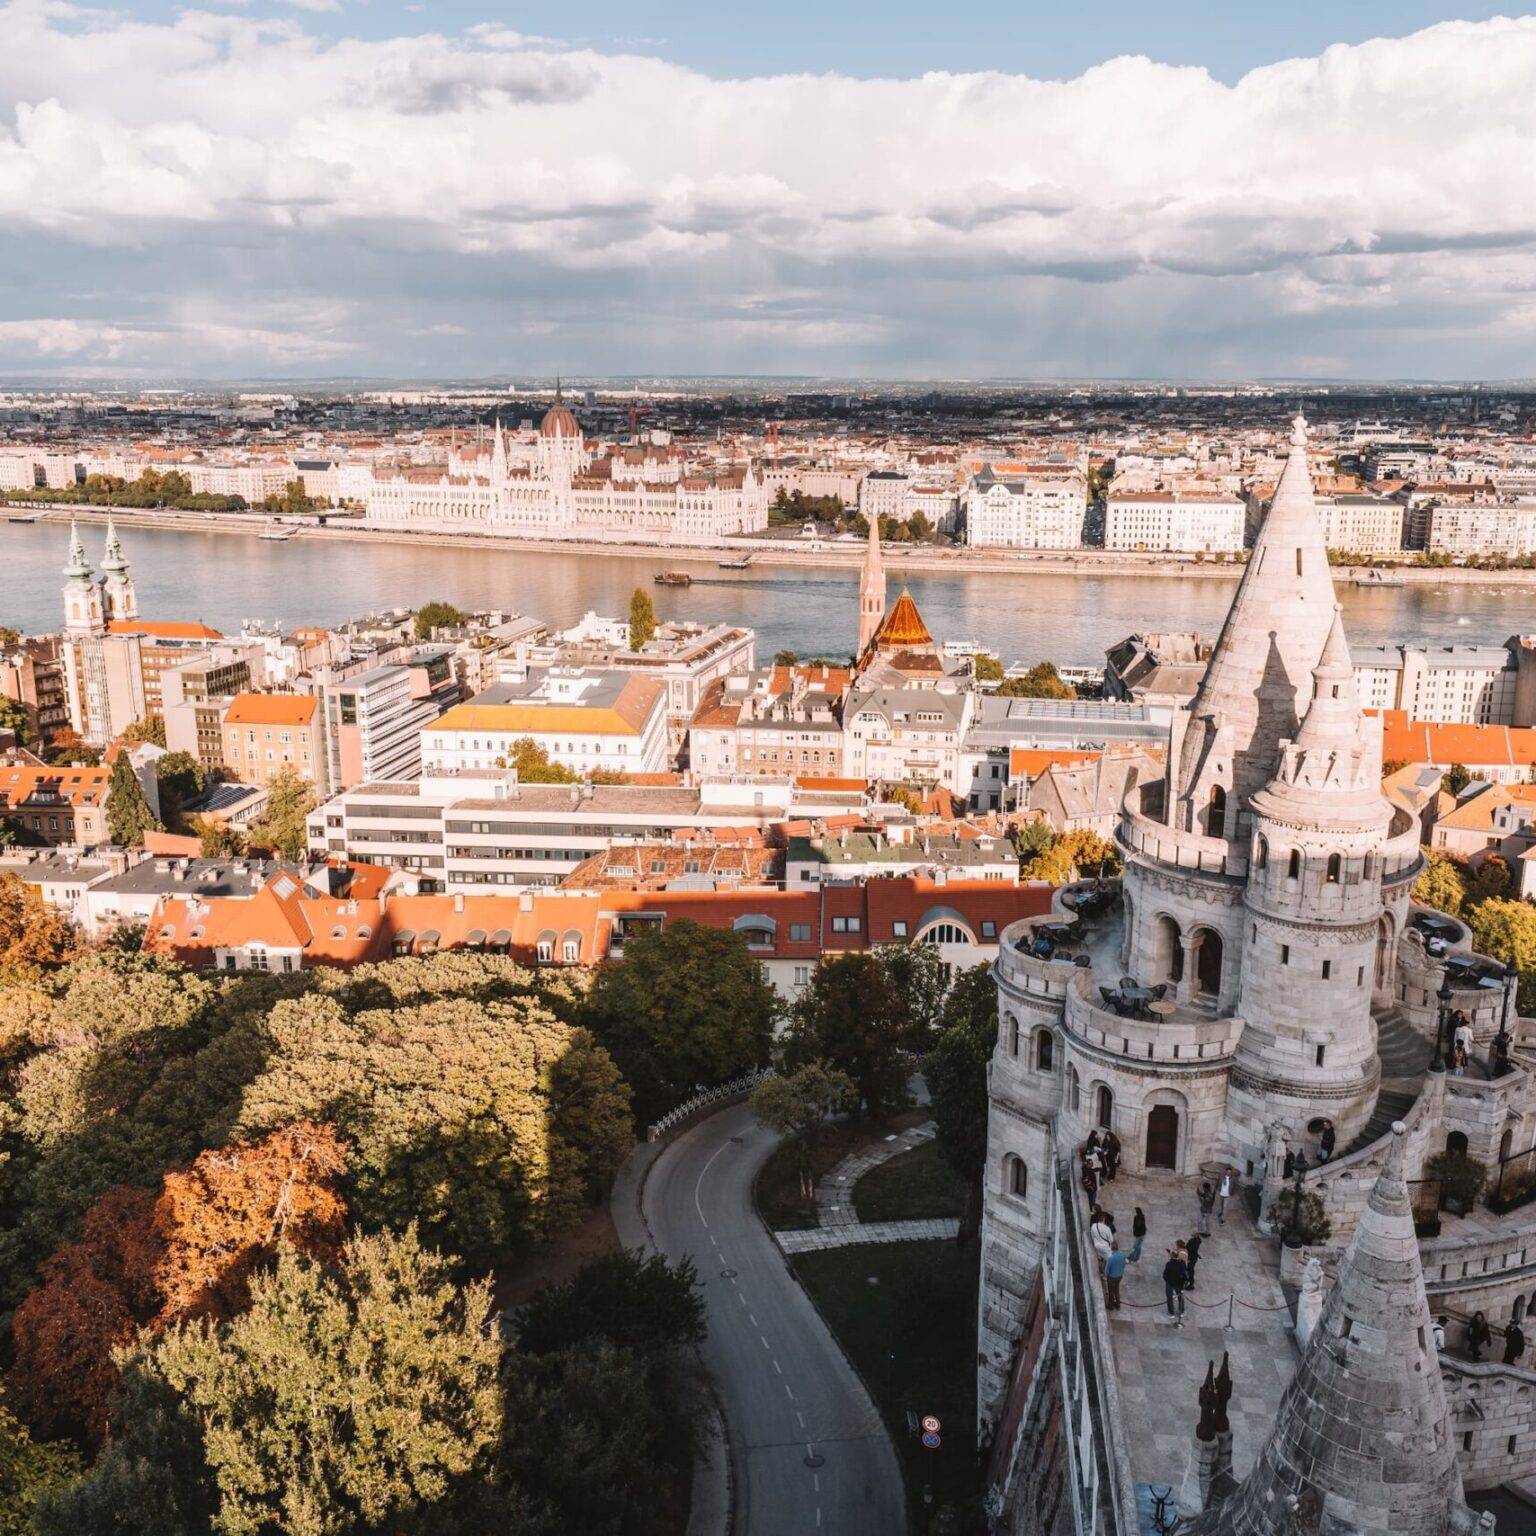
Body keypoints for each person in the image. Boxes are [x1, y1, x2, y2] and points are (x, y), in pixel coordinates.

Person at [1163, 1247, 1189, 1327]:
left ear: (1171, 1256)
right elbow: (1185, 1273)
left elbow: (1165, 1275)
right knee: (1180, 1297)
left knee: (1169, 1297)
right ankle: (1181, 1311)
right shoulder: (1182, 1263)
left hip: (1170, 1283)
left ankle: (1171, 1312)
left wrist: (1167, 1280)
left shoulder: (1169, 1264)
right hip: (1179, 1283)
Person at [1103, 1241, 1126, 1311]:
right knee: (1116, 1289)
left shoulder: (1111, 1258)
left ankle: (1111, 1305)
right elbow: (1124, 1264)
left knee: (1111, 1291)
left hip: (1112, 1278)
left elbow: (1106, 1270)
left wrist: (1105, 1275)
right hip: (1119, 1276)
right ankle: (1118, 1305)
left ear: (1111, 1248)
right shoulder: (1122, 1255)